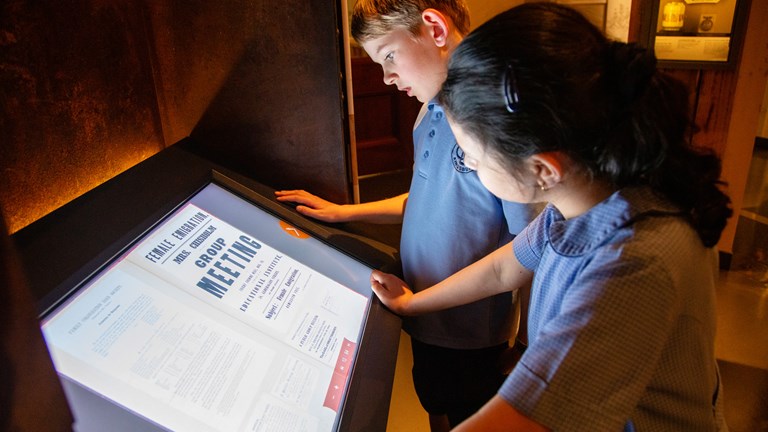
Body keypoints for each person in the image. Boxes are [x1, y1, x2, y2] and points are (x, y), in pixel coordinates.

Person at [370, 3, 733, 431]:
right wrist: (413, 303)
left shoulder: (634, 261)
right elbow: (503, 269)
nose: (466, 161)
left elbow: (528, 418)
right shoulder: (576, 203)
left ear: (541, 169)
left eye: (471, 155)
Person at [275, 1, 537, 430]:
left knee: (468, 414)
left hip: (470, 330)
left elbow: (531, 246)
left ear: (433, 28)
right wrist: (343, 213)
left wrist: (527, 340)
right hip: (420, 311)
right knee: (435, 402)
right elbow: (424, 197)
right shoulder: (426, 113)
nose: (386, 77)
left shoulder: (494, 125)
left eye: (389, 56)